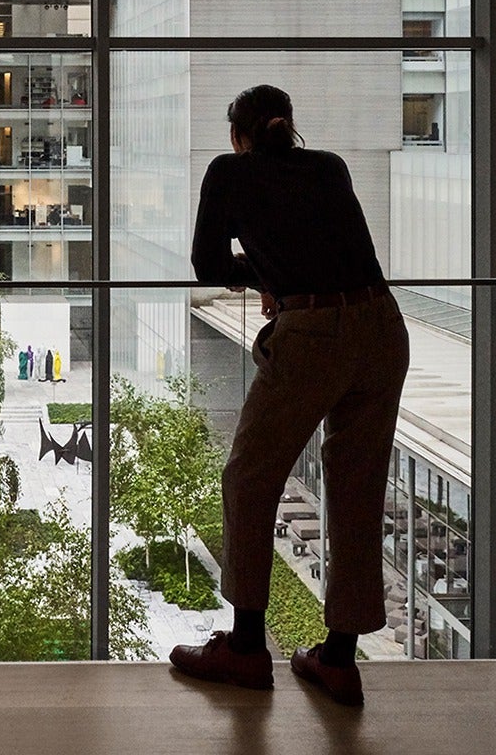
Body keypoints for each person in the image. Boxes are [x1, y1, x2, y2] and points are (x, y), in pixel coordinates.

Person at [170, 85, 410, 708]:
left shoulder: (228, 172)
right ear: (289, 125)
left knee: (249, 478)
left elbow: (208, 266)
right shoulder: (329, 166)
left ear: (237, 136)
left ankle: (247, 647)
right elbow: (336, 249)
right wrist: (280, 277)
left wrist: (264, 277)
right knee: (357, 489)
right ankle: (339, 660)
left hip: (313, 335)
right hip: (382, 327)